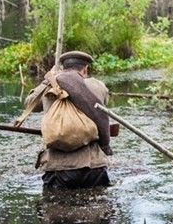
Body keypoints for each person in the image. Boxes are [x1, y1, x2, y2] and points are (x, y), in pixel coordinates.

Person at [23, 51, 112, 189]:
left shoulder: (49, 86)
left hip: (57, 168)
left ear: (63, 68)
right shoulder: (97, 86)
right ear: (85, 69)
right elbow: (103, 104)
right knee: (98, 206)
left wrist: (48, 79)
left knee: (55, 208)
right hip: (93, 166)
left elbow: (29, 104)